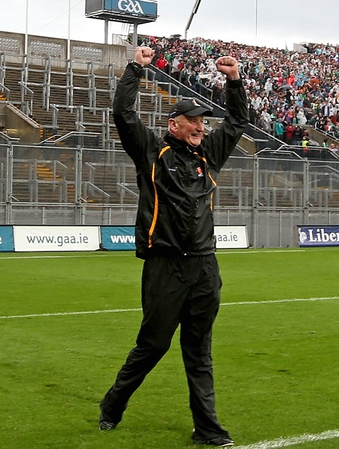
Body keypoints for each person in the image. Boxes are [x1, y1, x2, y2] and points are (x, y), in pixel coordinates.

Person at [98, 46, 248, 448]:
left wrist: (234, 80)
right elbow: (123, 115)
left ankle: (208, 430)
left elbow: (237, 121)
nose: (201, 126)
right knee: (153, 346)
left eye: (202, 121)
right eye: (194, 121)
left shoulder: (209, 156)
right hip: (165, 267)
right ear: (174, 124)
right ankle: (112, 404)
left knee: (199, 351)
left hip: (204, 267)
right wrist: (135, 69)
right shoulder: (152, 150)